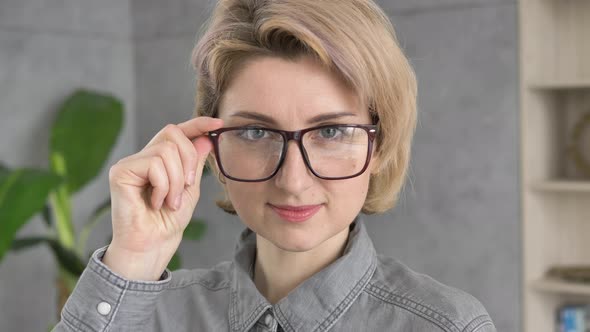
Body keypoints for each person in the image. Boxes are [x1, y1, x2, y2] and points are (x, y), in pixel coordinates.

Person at [53, 0, 496, 331]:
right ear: (210, 148)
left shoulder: (448, 325)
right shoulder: (148, 316)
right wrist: (132, 259)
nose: (293, 181)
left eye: (331, 132)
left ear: (378, 146)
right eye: (255, 133)